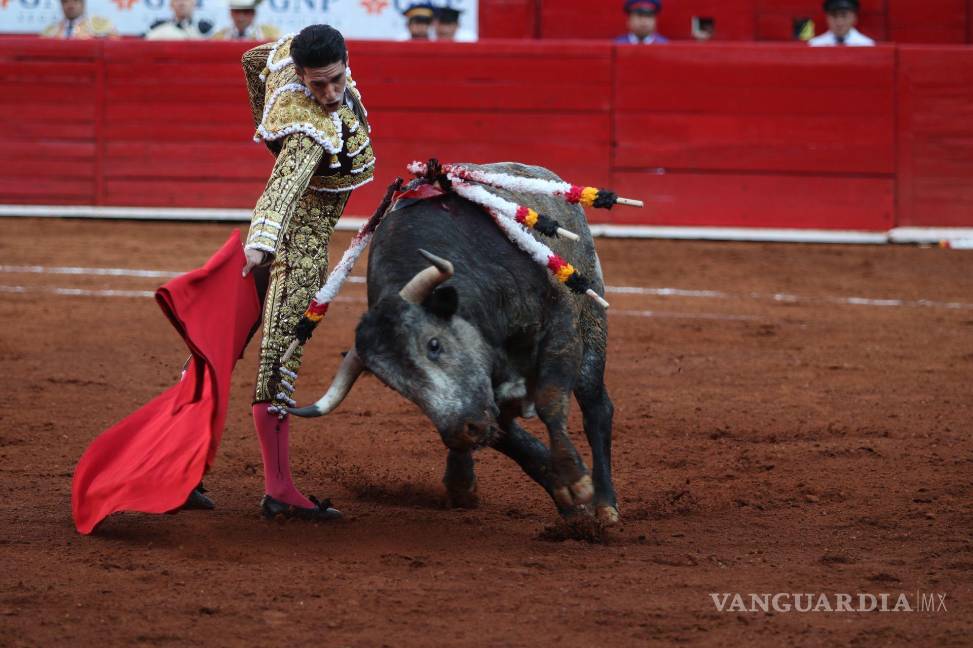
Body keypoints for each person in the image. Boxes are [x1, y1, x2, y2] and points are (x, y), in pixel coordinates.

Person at [238, 24, 375, 520]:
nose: (330, 94)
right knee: (279, 361)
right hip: (294, 250)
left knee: (219, 351)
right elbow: (282, 187)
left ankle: (177, 467)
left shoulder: (284, 54)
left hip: (272, 246)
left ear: (344, 60)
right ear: (301, 75)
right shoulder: (307, 129)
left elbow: (253, 60)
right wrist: (261, 243)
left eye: (336, 80)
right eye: (317, 85)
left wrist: (263, 121)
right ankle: (278, 489)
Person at [809, 0, 875, 46]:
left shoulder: (866, 44)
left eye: (844, 16)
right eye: (834, 16)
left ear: (854, 18)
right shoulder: (815, 44)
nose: (839, 23)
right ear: (827, 18)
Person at [41, 0, 117, 39]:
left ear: (83, 4)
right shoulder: (51, 30)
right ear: (61, 5)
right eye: (65, 1)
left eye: (75, 0)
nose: (70, 4)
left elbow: (114, 44)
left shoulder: (100, 25)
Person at [211, 0, 280, 41]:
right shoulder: (218, 37)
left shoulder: (271, 35)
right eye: (237, 12)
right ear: (231, 13)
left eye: (246, 12)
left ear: (254, 13)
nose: (241, 17)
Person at [144, 0, 214, 40]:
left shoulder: (207, 31)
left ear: (194, 3)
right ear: (171, 5)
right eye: (177, 0)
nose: (182, 3)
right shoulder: (159, 31)